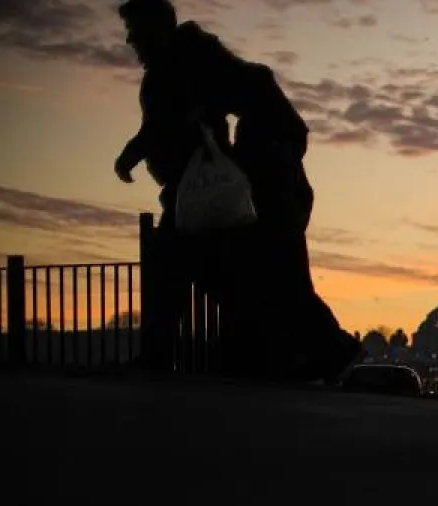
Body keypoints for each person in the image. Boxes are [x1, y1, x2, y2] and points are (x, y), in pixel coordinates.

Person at [115, 0, 357, 382]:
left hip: (213, 193)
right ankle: (312, 351)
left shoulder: (193, 60)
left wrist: (236, 143)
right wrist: (135, 152)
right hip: (207, 192)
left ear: (156, 27)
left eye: (135, 30)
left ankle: (322, 350)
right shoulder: (177, 66)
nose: (130, 40)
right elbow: (162, 124)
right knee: (239, 275)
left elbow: (247, 88)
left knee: (245, 273)